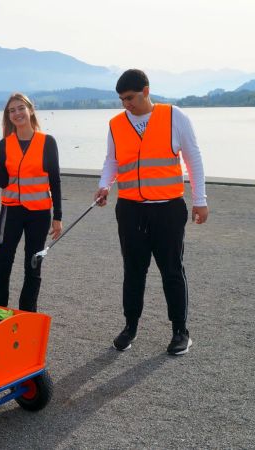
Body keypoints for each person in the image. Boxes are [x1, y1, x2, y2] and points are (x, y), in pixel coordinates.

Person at [94, 69, 208, 356]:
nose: (125, 104)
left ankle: (180, 331)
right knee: (133, 271)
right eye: (121, 99)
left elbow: (193, 158)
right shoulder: (116, 124)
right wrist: (104, 185)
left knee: (171, 270)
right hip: (130, 210)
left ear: (146, 90)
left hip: (168, 209)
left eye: (130, 98)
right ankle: (130, 326)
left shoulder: (175, 117)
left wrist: (200, 199)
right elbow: (112, 160)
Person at [0, 93, 62, 312]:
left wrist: (58, 217)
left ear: (30, 110)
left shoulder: (47, 142)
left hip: (40, 212)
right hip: (11, 211)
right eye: (11, 110)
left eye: (20, 108)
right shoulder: (4, 145)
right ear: (8, 116)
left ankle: (27, 312)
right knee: (3, 261)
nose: (16, 113)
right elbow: (2, 181)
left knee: (33, 263)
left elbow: (55, 180)